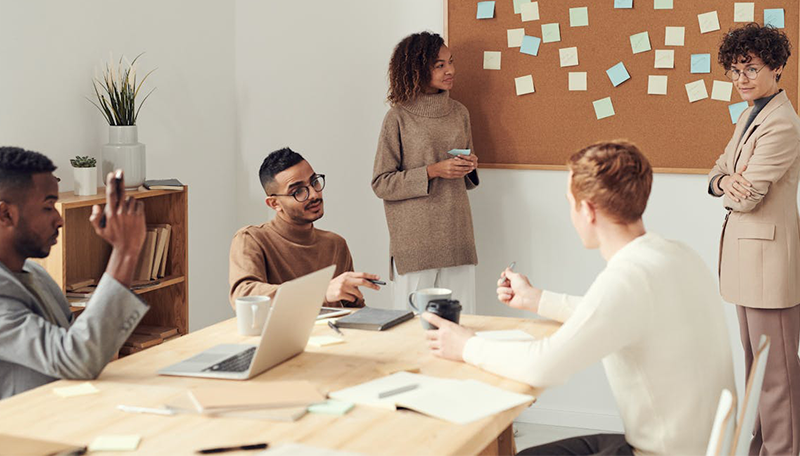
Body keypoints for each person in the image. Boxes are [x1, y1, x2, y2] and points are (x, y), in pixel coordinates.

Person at [424, 141, 734, 456]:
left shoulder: (628, 278)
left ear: (587, 209)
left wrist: (466, 346)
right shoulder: (676, 254)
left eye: (570, 202)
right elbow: (612, 315)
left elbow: (542, 366)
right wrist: (536, 299)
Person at [708, 23, 800, 456]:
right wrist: (726, 180)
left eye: (752, 68)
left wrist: (729, 184)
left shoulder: (781, 124)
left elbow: (750, 198)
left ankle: (783, 450)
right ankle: (762, 448)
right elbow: (717, 172)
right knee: (757, 370)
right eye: (735, 69)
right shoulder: (749, 115)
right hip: (746, 260)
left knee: (777, 373)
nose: (741, 79)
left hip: (769, 263)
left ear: (778, 67)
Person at [0, 147, 149, 400]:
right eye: (48, 207)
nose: (60, 220)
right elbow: (77, 357)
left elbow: (81, 347)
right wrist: (125, 252)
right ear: (6, 214)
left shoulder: (35, 274)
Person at [372, 31, 480, 313]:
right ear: (417, 69)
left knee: (462, 323)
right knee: (411, 328)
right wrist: (433, 171)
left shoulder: (459, 113)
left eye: (451, 62)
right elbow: (382, 183)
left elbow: (463, 179)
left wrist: (468, 167)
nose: (451, 70)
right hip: (415, 243)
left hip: (457, 234)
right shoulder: (398, 116)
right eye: (439, 65)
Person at [229, 147, 380, 308]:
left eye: (314, 182)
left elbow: (355, 313)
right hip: (281, 334)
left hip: (333, 333)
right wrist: (319, 292)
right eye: (299, 191)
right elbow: (243, 295)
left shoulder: (336, 244)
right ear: (274, 203)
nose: (314, 194)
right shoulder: (251, 239)